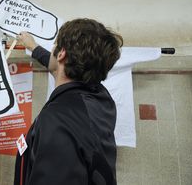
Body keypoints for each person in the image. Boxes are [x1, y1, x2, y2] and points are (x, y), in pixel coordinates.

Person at [13, 18, 123, 185]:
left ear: (62, 53)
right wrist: (33, 47)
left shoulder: (58, 121)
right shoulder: (100, 98)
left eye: (55, 45)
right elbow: (60, 67)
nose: (52, 51)